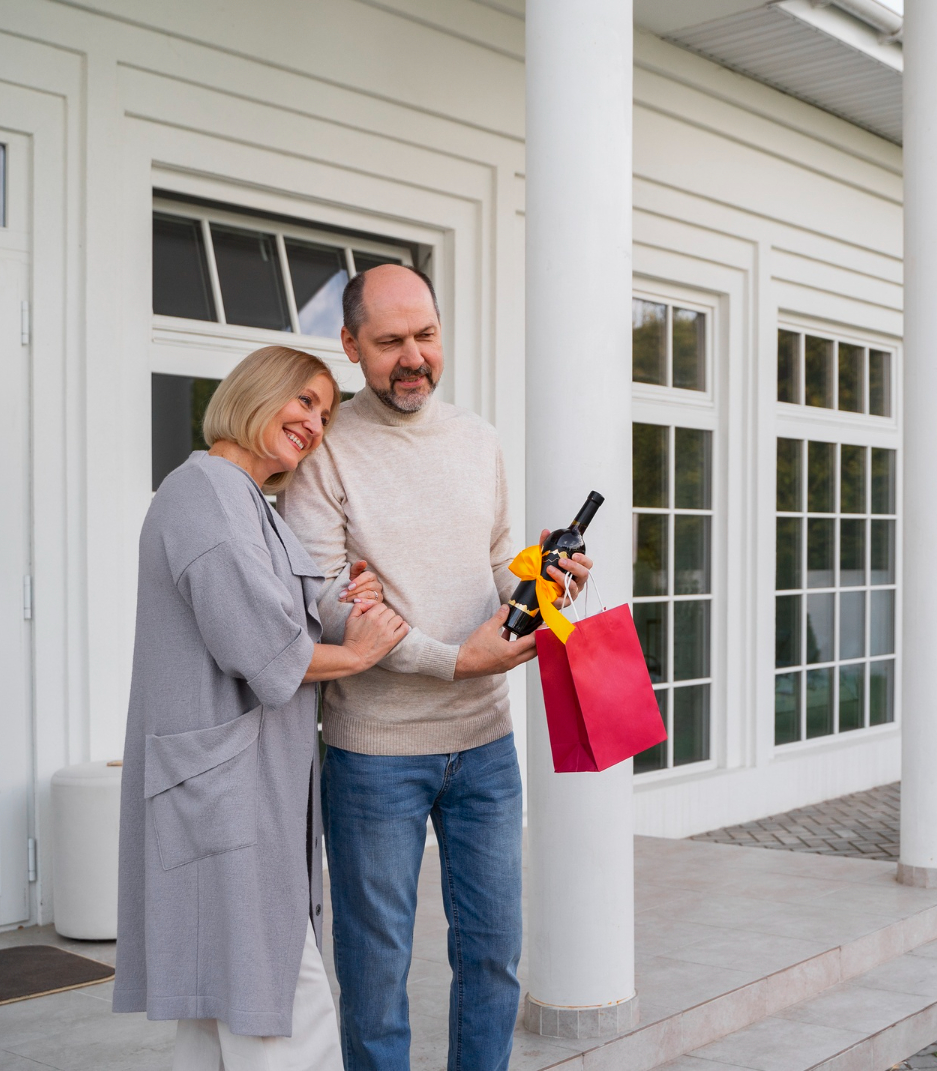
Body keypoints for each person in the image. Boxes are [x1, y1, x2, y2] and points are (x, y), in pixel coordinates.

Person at [278, 265, 590, 1071]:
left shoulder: (477, 439)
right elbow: (332, 608)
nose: (413, 357)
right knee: (376, 973)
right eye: (389, 343)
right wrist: (456, 660)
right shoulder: (324, 450)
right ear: (350, 346)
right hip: (372, 752)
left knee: (492, 958)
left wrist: (538, 585)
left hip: (486, 744)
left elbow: (492, 568)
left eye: (426, 335)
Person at [114, 345, 410, 1071]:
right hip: (228, 797)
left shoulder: (254, 505)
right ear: (254, 392)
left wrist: (348, 600)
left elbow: (293, 614)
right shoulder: (204, 494)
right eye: (303, 400)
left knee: (219, 1015)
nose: (315, 422)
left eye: (325, 412)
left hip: (232, 791)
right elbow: (270, 655)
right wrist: (362, 653)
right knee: (281, 1003)